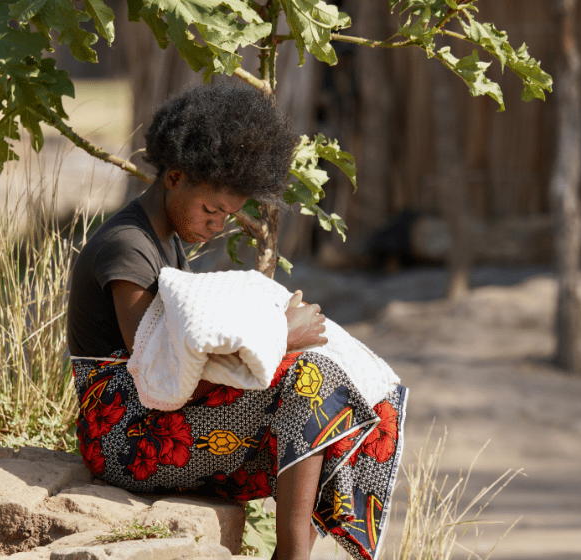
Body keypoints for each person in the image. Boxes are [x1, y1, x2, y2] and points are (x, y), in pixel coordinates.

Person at [66, 83, 406, 560]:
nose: (217, 226)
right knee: (312, 378)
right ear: (175, 177)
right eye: (211, 210)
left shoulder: (162, 239)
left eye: (228, 215)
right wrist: (281, 336)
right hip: (123, 438)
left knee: (341, 395)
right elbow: (158, 377)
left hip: (152, 424)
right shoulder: (127, 247)